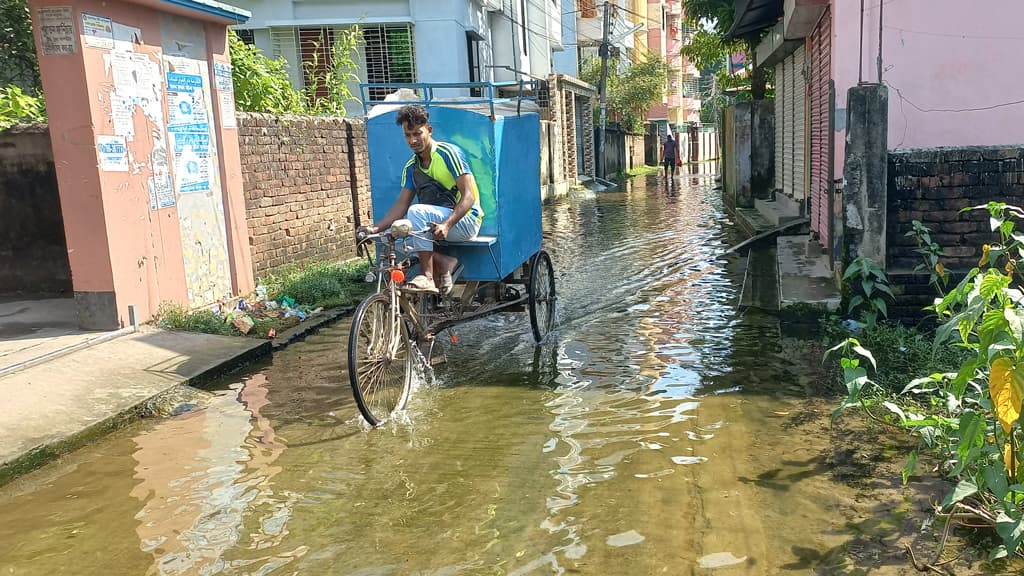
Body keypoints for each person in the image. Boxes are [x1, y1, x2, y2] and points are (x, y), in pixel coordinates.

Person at [359, 104, 484, 294]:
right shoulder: (411, 167)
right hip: (434, 223)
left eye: (418, 134)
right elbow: (401, 205)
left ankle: (427, 276)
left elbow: (469, 196)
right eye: (408, 136)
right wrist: (374, 229)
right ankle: (444, 261)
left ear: (429, 130)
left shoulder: (448, 154)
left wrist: (447, 225)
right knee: (390, 237)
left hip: (466, 221)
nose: (413, 140)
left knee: (416, 212)